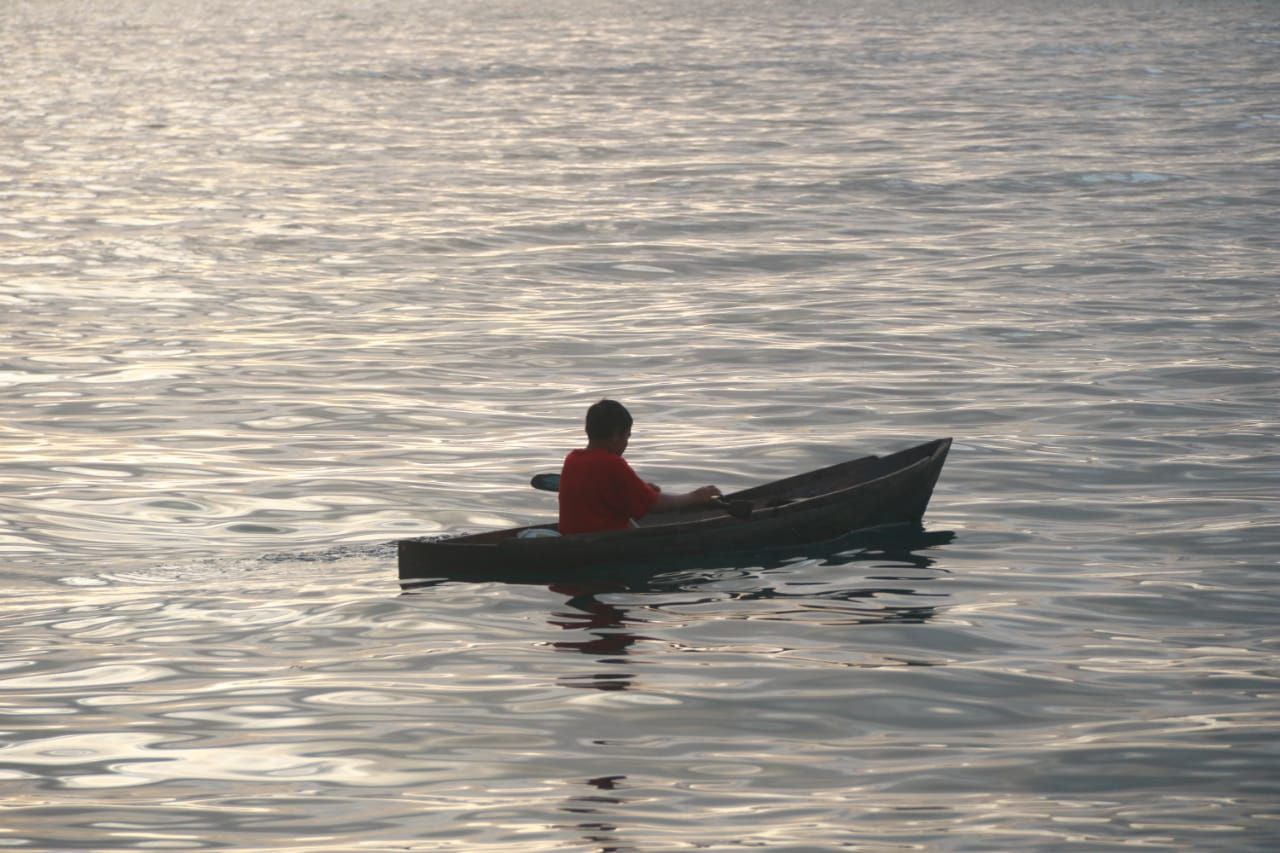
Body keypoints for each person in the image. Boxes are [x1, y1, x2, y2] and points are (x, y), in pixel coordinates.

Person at [558, 399, 722, 535]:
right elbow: (654, 505)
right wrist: (694, 496)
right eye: (627, 436)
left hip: (571, 536)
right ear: (616, 434)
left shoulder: (572, 459)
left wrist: (643, 490)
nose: (626, 444)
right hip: (604, 541)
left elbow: (604, 494)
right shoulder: (612, 463)